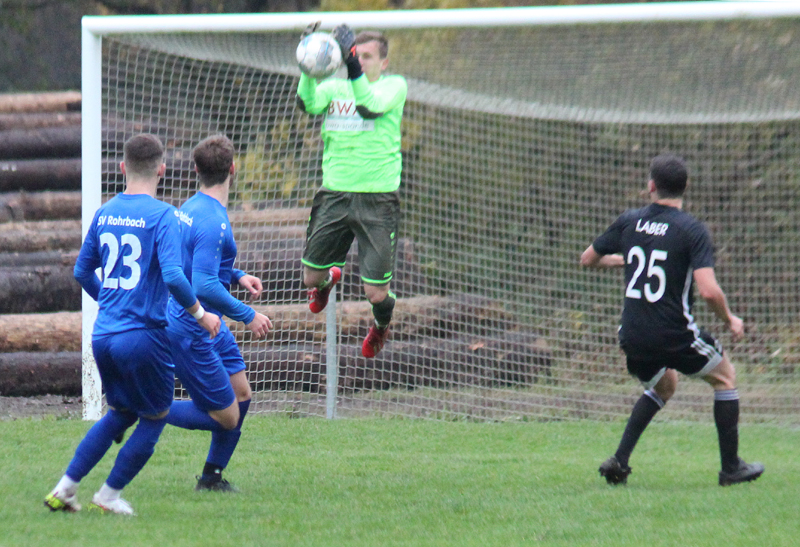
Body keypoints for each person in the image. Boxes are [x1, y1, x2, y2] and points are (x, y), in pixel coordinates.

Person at [44, 134, 221, 516]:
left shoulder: (105, 212)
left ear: (122, 168)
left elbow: (81, 271)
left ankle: (65, 488)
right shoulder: (162, 216)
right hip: (143, 337)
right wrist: (200, 314)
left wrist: (109, 302)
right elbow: (174, 275)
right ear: (162, 169)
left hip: (103, 336)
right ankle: (108, 495)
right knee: (155, 417)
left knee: (121, 414)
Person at [580, 153, 764, 487]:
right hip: (674, 333)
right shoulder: (691, 229)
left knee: (665, 384)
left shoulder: (629, 221)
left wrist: (624, 261)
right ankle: (731, 468)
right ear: (686, 186)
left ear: (651, 185)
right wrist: (730, 319)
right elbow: (708, 291)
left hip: (633, 334)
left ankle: (619, 462)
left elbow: (588, 259)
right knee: (725, 377)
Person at [164, 134, 272, 492]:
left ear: (196, 169)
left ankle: (211, 478)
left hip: (209, 324)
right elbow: (204, 286)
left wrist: (238, 276)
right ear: (233, 168)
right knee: (226, 417)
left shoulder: (191, 207)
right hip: (192, 326)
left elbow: (197, 263)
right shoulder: (212, 220)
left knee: (242, 395)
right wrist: (248, 314)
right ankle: (146, 407)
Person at [296, 22, 407, 358]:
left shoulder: (394, 87)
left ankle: (381, 325)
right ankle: (330, 279)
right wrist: (307, 64)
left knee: (376, 294)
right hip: (335, 194)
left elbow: (368, 106)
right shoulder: (334, 88)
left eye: (368, 57)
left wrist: (352, 64)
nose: (362, 61)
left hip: (377, 200)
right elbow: (307, 103)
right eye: (358, 56)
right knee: (310, 278)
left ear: (383, 62)